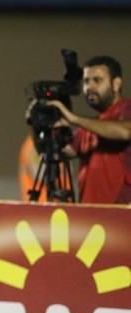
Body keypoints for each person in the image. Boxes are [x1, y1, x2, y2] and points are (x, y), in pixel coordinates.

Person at [47, 55, 131, 204]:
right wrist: (40, 124)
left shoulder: (126, 108)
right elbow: (63, 150)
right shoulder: (93, 125)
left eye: (97, 80)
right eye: (86, 81)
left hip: (121, 218)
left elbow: (125, 131)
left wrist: (75, 119)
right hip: (92, 219)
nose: (90, 87)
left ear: (116, 84)